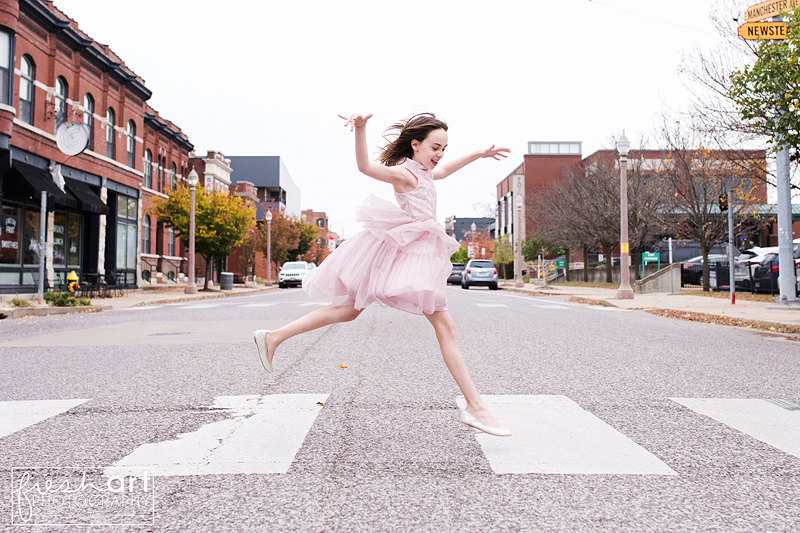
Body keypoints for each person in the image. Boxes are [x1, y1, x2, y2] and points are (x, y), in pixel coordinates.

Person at [254, 112, 511, 437]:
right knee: (446, 327)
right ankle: (476, 407)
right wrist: (360, 129)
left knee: (348, 311)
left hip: (407, 255)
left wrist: (480, 154)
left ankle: (273, 336)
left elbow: (446, 169)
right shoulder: (406, 173)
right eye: (435, 147)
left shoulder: (427, 173)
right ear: (415, 145)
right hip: (403, 256)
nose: (440, 155)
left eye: (444, 148)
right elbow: (366, 167)